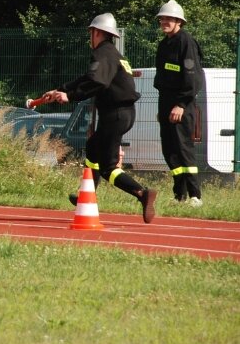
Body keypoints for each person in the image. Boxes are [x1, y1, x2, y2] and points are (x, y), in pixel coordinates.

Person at [41, 13, 157, 223]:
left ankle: (142, 193)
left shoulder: (102, 54)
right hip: (123, 113)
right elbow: (88, 77)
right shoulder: (113, 54)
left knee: (108, 168)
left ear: (97, 33)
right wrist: (60, 89)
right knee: (93, 148)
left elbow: (97, 82)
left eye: (91, 33)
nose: (90, 37)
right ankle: (88, 192)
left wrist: (70, 96)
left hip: (115, 114)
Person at [154, 0, 204, 207]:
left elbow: (193, 79)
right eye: (162, 19)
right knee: (170, 150)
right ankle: (179, 195)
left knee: (184, 148)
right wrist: (164, 108)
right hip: (166, 103)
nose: (164, 22)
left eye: (169, 19)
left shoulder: (186, 42)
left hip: (182, 105)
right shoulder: (164, 44)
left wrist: (181, 105)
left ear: (179, 22)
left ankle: (195, 196)